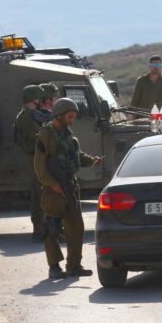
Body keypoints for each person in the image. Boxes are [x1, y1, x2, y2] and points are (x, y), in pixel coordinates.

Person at [34, 98, 101, 279]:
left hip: (69, 187)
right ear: (59, 115)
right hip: (52, 191)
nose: (72, 120)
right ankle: (54, 266)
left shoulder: (68, 135)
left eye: (73, 116)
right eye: (70, 116)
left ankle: (74, 265)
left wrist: (91, 161)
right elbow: (39, 166)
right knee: (51, 229)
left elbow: (76, 156)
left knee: (76, 228)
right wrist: (52, 184)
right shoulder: (46, 135)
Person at [14, 85, 53, 242]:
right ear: (33, 99)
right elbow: (39, 136)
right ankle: (38, 229)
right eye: (39, 98)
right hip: (34, 157)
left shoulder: (34, 114)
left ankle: (48, 226)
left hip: (41, 156)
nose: (41, 101)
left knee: (45, 191)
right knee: (38, 191)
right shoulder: (25, 117)